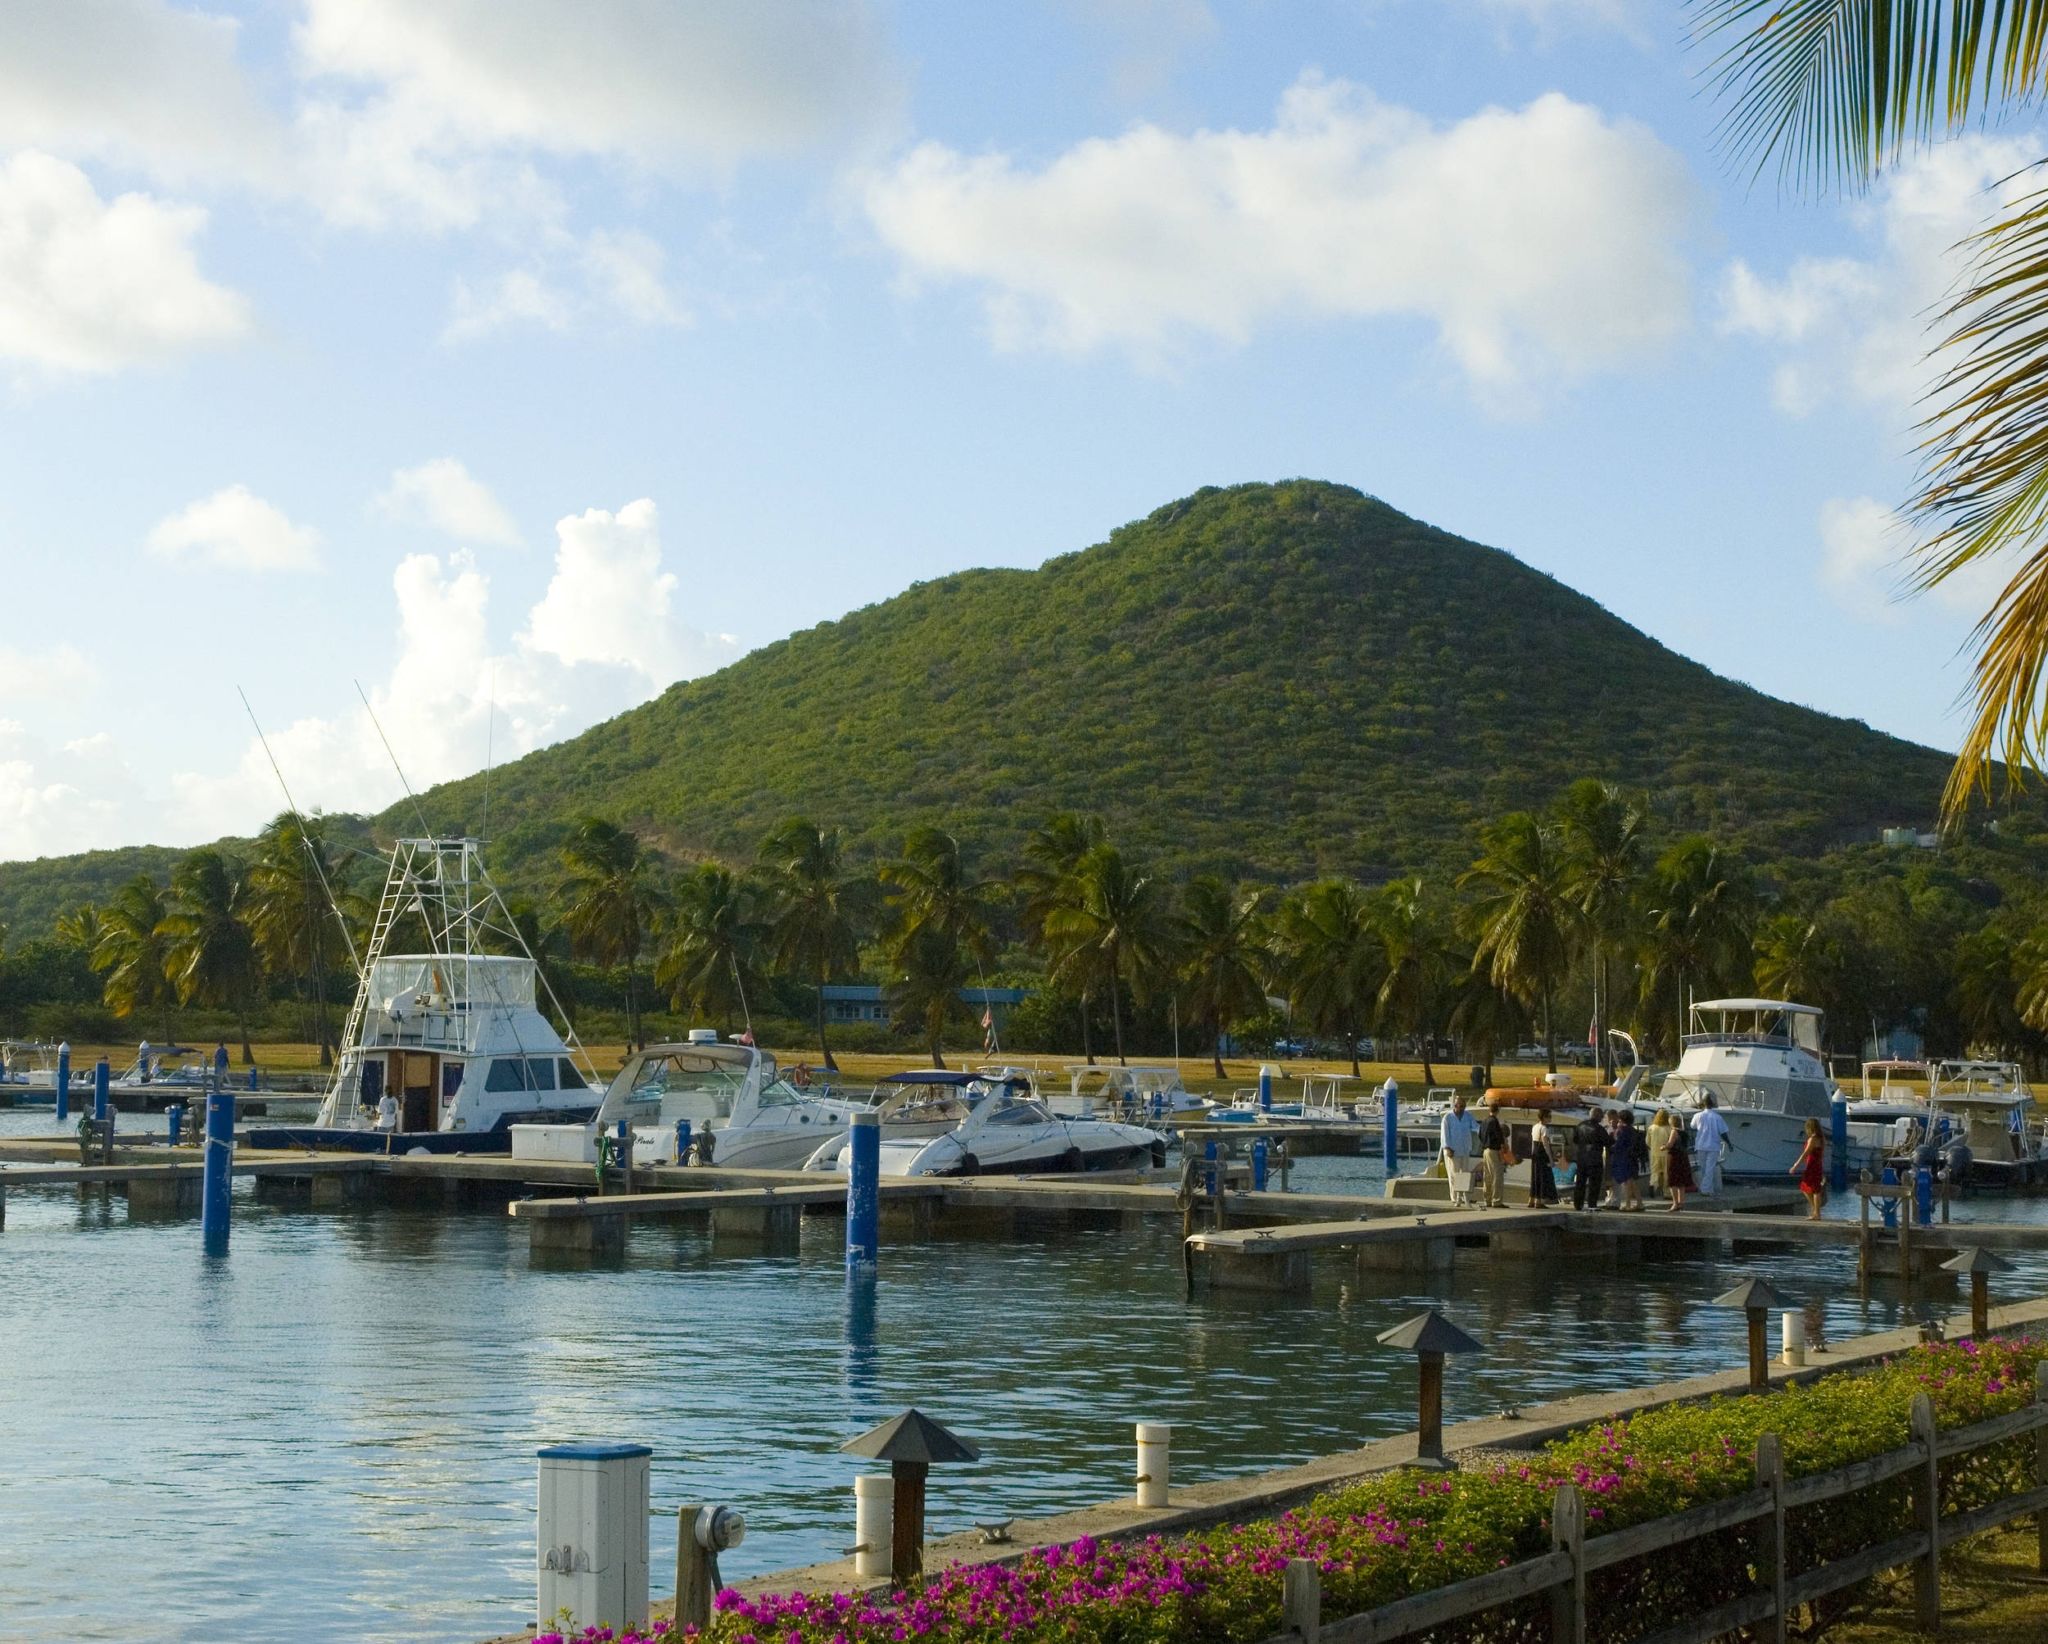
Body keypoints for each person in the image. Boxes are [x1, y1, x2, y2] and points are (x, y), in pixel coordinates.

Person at [1440, 1093, 1479, 1208]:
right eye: (1459, 1106)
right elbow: (1444, 1135)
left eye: (1463, 1106)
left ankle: (1466, 1198)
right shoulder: (1448, 1118)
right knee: (1454, 1175)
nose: (1461, 1109)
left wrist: (1485, 1131)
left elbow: (1476, 1126)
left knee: (1465, 1174)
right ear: (1455, 1106)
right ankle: (1456, 1198)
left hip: (1465, 1149)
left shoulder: (1468, 1116)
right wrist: (1447, 1147)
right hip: (1453, 1150)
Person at [1571, 1109, 1609, 1211]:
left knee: (1580, 1182)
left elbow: (1575, 1139)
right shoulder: (1599, 1129)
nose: (1602, 1118)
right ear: (1597, 1116)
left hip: (1582, 1158)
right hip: (1595, 1158)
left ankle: (1578, 1204)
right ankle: (1592, 1204)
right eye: (1601, 1116)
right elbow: (1608, 1142)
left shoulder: (1580, 1125)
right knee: (1594, 1183)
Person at [1692, 1096, 1729, 1195]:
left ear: (1703, 1104)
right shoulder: (1717, 1117)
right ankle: (1706, 1190)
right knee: (1710, 1168)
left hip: (1700, 1145)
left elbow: (1693, 1126)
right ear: (1712, 1104)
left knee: (1704, 1168)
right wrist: (1729, 1144)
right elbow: (1723, 1132)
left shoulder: (1697, 1115)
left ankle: (1708, 1189)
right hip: (1713, 1146)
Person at [1791, 1116, 1826, 1219]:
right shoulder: (1821, 1139)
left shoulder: (1813, 1139)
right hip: (1817, 1165)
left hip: (1812, 1165)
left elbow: (1805, 1153)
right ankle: (1816, 1212)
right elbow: (1821, 1154)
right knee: (1814, 1188)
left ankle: (1816, 1213)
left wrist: (1795, 1165)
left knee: (1809, 1188)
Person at [1479, 1105, 1512, 1208]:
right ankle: (1496, 1200)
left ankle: (1487, 1199)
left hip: (1485, 1150)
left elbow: (1480, 1135)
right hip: (1494, 1150)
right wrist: (1503, 1146)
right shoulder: (1494, 1121)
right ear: (1497, 1111)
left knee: (1487, 1176)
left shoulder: (1484, 1121)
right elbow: (1498, 1136)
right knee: (1497, 1176)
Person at [1611, 1112, 1644, 1211]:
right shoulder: (1633, 1130)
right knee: (1633, 1182)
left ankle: (1627, 1204)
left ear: (1621, 1119)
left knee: (1626, 1182)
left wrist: (1611, 1146)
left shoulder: (1622, 1131)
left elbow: (1618, 1145)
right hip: (1633, 1158)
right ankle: (1639, 1203)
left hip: (1623, 1158)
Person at [1527, 1113, 1558, 1207]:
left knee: (1535, 1177)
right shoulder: (1544, 1128)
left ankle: (1531, 1200)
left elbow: (1533, 1141)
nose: (1550, 1119)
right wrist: (1551, 1159)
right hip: (1542, 1154)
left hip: (1535, 1153)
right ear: (1544, 1117)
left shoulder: (1535, 1127)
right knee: (1542, 1177)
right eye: (1549, 1117)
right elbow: (1545, 1144)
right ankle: (1539, 1201)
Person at [1665, 1116, 1694, 1211]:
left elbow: (1670, 1144)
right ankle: (1681, 1202)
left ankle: (1675, 1203)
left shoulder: (1674, 1131)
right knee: (1681, 1182)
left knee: (1672, 1181)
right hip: (1683, 1157)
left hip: (1675, 1157)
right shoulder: (1684, 1132)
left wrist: (1663, 1147)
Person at [1647, 1109, 1672, 1198]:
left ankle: (1653, 1184)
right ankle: (1667, 1193)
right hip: (1666, 1154)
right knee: (1666, 1173)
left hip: (1654, 1153)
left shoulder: (1651, 1128)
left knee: (1655, 1171)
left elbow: (1647, 1142)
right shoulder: (1669, 1128)